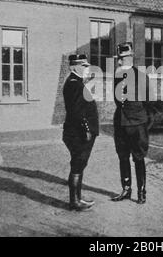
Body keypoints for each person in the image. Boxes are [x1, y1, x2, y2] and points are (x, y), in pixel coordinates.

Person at [111, 42, 154, 204]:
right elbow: (117, 100)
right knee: (123, 157)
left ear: (130, 58)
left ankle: (141, 192)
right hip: (120, 123)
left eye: (123, 58)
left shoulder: (142, 77)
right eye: (120, 59)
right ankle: (126, 189)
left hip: (137, 124)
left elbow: (149, 102)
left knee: (138, 158)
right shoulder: (117, 76)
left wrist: (144, 123)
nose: (120, 62)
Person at [62, 54, 99, 211]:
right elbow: (77, 111)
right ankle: (75, 201)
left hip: (77, 132)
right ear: (73, 67)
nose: (86, 68)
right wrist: (86, 130)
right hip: (79, 133)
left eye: (86, 66)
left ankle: (77, 198)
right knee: (78, 165)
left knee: (79, 164)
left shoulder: (76, 83)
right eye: (83, 66)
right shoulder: (74, 84)